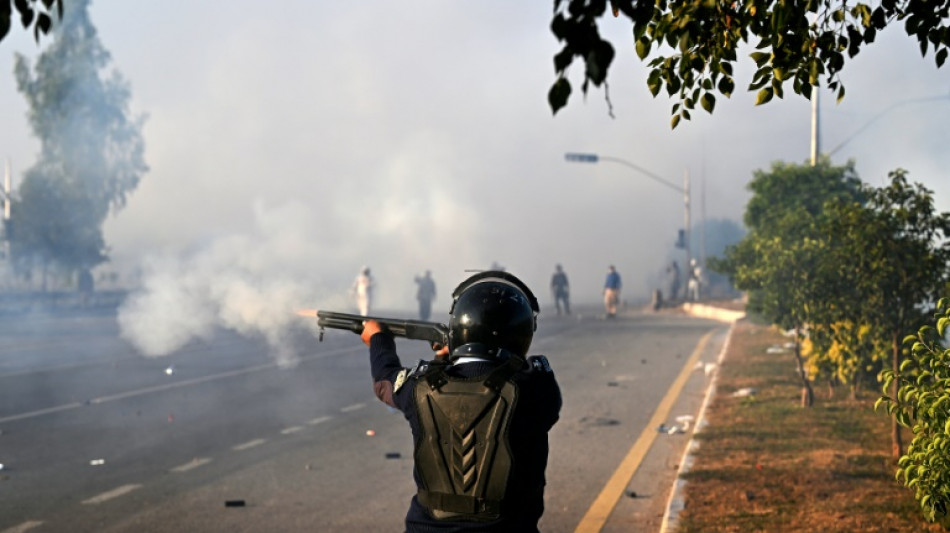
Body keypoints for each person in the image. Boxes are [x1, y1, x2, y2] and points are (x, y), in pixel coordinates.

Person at [360, 271, 561, 532]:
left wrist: (378, 340)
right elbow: (509, 374)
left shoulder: (418, 387)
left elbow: (385, 382)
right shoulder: (536, 389)